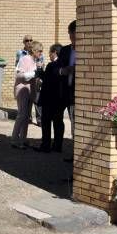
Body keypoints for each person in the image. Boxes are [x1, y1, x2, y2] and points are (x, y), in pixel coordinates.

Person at [11, 40, 43, 149]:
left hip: (30, 91)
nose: (41, 53)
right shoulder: (24, 59)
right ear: (33, 50)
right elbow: (19, 75)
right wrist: (34, 73)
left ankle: (23, 139)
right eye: (39, 51)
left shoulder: (35, 61)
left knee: (27, 116)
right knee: (22, 114)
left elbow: (35, 77)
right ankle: (14, 139)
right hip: (22, 90)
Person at [56, 20, 77, 162]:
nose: (72, 38)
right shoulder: (64, 50)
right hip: (64, 92)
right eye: (71, 35)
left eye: (75, 35)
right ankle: (56, 146)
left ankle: (76, 155)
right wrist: (63, 70)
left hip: (78, 94)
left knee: (76, 124)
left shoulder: (87, 50)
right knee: (58, 119)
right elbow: (55, 69)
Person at [37, 44, 64, 153]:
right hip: (60, 98)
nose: (49, 54)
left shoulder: (51, 65)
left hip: (49, 98)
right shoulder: (63, 64)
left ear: (54, 52)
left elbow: (47, 80)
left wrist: (40, 71)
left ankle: (45, 145)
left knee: (46, 122)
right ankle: (57, 146)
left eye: (50, 52)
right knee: (58, 122)